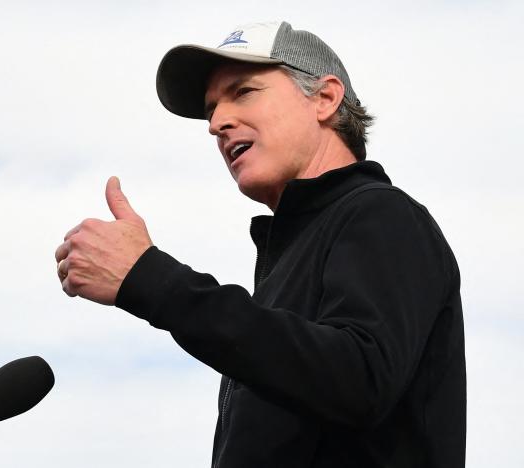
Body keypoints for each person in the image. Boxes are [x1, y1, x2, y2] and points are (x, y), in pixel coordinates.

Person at [54, 21, 465, 468]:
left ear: (325, 99)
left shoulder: (381, 214)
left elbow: (359, 379)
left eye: (243, 92)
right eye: (212, 108)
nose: (216, 123)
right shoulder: (292, 258)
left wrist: (149, 279)